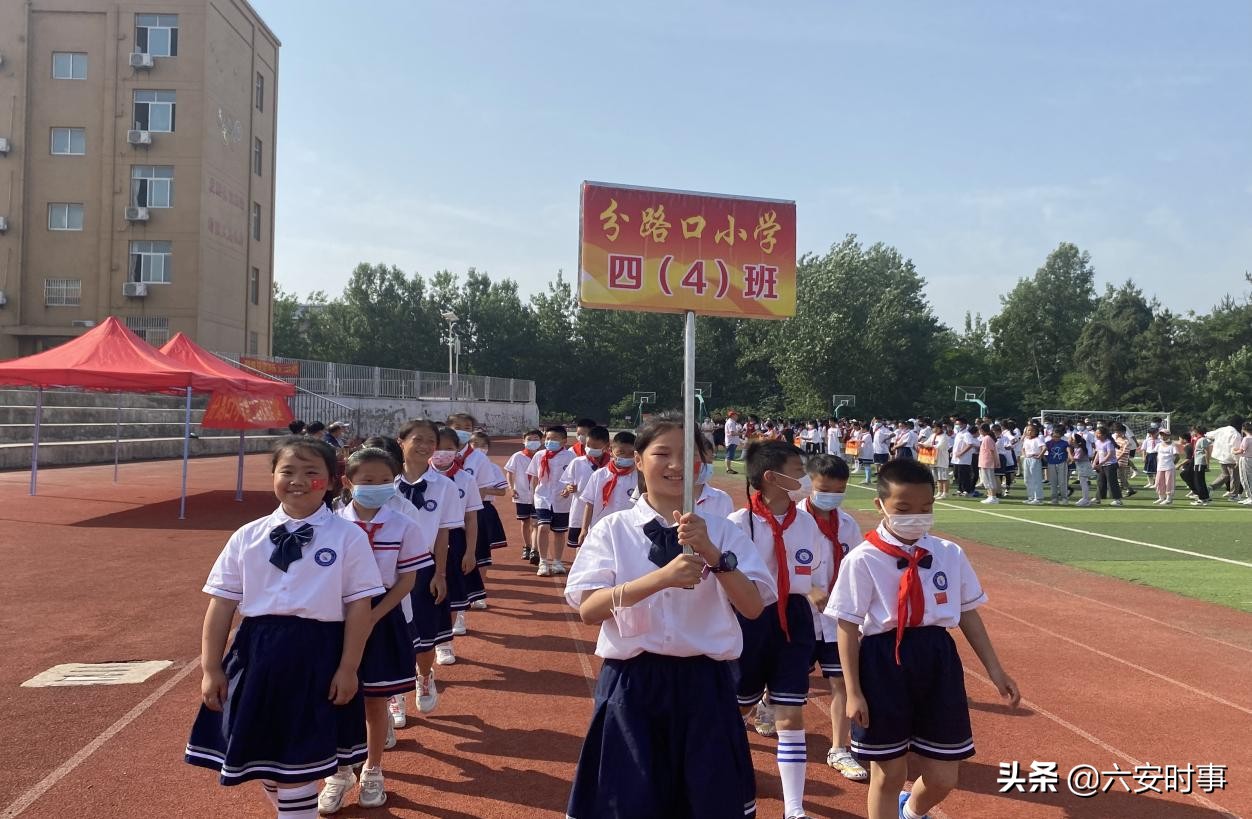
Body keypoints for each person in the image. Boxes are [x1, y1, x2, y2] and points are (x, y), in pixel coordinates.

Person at [563, 418, 772, 819]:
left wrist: (713, 554)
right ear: (639, 460)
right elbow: (589, 609)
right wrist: (661, 579)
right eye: (662, 453)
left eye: (688, 455)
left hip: (706, 683)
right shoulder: (614, 529)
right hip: (633, 684)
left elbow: (752, 606)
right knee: (629, 802)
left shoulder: (722, 532)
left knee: (707, 802)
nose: (676, 465)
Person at [185, 437, 384, 818]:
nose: (298, 481)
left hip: (318, 655)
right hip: (257, 655)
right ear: (273, 476)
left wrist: (348, 667)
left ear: (331, 481)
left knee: (298, 761)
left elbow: (359, 606)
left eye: (311, 472)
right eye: (287, 471)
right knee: (263, 758)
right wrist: (210, 668)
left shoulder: (348, 537)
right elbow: (221, 603)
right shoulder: (247, 536)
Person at [829, 459, 1020, 819]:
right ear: (880, 505)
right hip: (883, 661)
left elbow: (968, 613)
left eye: (925, 508)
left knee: (944, 775)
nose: (916, 517)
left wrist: (996, 670)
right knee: (889, 773)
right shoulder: (863, 559)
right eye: (903, 509)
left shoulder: (948, 553)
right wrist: (853, 691)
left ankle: (912, 812)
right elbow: (848, 627)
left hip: (937, 659)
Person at [320, 448, 428, 813]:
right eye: (367, 480)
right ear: (348, 482)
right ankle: (338, 772)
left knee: (375, 699)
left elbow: (406, 580)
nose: (377, 486)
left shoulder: (404, 525)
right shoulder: (331, 523)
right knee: (335, 695)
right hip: (335, 615)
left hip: (382, 615)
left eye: (385, 480)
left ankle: (373, 769)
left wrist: (373, 616)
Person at [727, 440, 825, 819]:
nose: (805, 478)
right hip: (750, 620)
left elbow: (809, 573)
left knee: (790, 713)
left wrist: (815, 593)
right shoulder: (738, 524)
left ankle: (794, 809)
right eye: (798, 470)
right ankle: (726, 774)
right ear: (771, 477)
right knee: (738, 706)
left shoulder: (807, 522)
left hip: (793, 621)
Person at [799, 454, 868, 783]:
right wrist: (807, 588)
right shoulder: (793, 520)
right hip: (799, 615)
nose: (831, 496)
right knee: (790, 681)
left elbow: (858, 567)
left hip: (836, 618)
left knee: (840, 681)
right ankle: (768, 701)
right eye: (824, 489)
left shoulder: (848, 524)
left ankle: (839, 748)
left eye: (839, 490)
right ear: (809, 484)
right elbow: (777, 563)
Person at [394, 420, 456, 716]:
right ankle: (394, 694)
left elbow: (443, 533)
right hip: (386, 569)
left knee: (424, 634)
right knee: (391, 633)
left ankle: (424, 677)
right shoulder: (383, 482)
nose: (424, 446)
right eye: (417, 439)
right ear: (401, 442)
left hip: (423, 566)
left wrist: (440, 574)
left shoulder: (445, 486)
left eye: (430, 441)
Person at [429, 426, 482, 662]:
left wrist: (470, 551)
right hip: (424, 541)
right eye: (437, 447)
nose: (442, 453)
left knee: (450, 594)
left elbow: (471, 518)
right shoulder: (416, 478)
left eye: (448, 448)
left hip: (455, 540)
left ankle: (445, 642)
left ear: (457, 450)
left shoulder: (465, 479)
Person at [447, 414, 509, 613]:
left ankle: (477, 594)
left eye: (467, 427)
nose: (462, 431)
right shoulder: (440, 455)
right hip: (444, 517)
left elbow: (481, 490)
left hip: (472, 513)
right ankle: (457, 608)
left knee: (477, 554)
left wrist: (468, 511)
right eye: (457, 426)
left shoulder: (478, 458)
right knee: (450, 561)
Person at [527, 425, 576, 576]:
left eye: (554, 439)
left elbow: (574, 478)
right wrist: (533, 497)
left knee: (559, 532)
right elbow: (534, 477)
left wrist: (568, 489)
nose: (550, 441)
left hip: (562, 499)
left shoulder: (571, 457)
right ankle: (543, 561)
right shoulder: (539, 455)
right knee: (543, 527)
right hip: (542, 497)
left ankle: (557, 561)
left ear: (564, 441)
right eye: (548, 438)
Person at [561, 425, 613, 551]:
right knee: (580, 545)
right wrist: (568, 488)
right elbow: (567, 482)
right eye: (588, 445)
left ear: (606, 446)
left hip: (603, 514)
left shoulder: (612, 465)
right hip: (580, 510)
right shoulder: (577, 462)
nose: (590, 449)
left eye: (595, 447)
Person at [579, 431, 638, 533]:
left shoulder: (640, 478)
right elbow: (589, 504)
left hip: (628, 531)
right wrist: (584, 529)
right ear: (611, 450)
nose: (626, 457)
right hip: (600, 529)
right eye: (621, 453)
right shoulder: (599, 475)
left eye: (631, 454)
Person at [506, 430, 543, 562]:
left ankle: (534, 550)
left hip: (538, 495)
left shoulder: (542, 456)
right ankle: (527, 546)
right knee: (525, 522)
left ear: (541, 441)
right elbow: (510, 472)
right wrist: (511, 488)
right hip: (521, 494)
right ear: (524, 441)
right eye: (529, 439)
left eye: (536, 439)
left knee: (536, 522)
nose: (533, 442)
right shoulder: (517, 456)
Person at [1207, 416, 1246, 500]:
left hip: (1221, 457)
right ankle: (1233, 495)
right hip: (1231, 458)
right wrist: (1237, 461)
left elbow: (1208, 435)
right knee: (1235, 477)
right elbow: (1235, 448)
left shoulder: (1222, 429)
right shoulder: (1236, 434)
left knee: (1225, 475)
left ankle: (1211, 487)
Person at [1093, 427, 1123, 507]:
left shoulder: (1108, 442)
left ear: (1104, 435)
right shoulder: (1098, 442)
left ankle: (1117, 500)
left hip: (1110, 465)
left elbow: (1110, 455)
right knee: (1100, 481)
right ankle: (1098, 498)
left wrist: (1101, 463)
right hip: (1102, 465)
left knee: (1112, 482)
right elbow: (1098, 453)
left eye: (1098, 433)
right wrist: (1094, 462)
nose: (1097, 435)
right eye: (1096, 433)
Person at [1042, 427, 1070, 505]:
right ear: (1051, 435)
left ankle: (1064, 498)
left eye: (1058, 437)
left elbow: (1068, 451)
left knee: (1062, 481)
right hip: (1051, 463)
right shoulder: (1048, 443)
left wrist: (1068, 459)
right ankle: (1054, 498)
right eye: (1054, 436)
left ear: (1061, 436)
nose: (1056, 438)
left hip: (1062, 463)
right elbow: (1043, 451)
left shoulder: (1064, 443)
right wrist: (1046, 459)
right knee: (1053, 482)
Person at [951, 419, 977, 498]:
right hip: (957, 458)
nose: (957, 426)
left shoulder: (967, 434)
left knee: (964, 474)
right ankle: (960, 489)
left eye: (959, 424)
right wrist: (953, 452)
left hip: (964, 458)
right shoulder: (958, 433)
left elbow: (970, 444)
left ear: (964, 424)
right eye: (956, 424)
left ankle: (966, 490)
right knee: (957, 474)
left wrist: (961, 453)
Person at [1020, 424, 1045, 504]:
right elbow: (1023, 448)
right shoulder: (1026, 439)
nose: (1030, 432)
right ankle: (1031, 497)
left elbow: (1044, 447)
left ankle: (1038, 498)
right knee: (1027, 479)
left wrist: (1039, 456)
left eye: (1032, 430)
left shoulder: (1037, 439)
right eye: (1028, 430)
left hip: (1034, 459)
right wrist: (1024, 455)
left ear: (1035, 431)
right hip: (1027, 459)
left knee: (1035, 479)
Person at [1154, 430, 1180, 505]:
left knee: (1169, 483)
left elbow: (1177, 456)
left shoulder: (1172, 445)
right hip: (1160, 467)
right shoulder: (1159, 445)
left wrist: (1172, 464)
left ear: (1168, 436)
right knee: (1158, 482)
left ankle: (1169, 499)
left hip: (1169, 467)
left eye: (1164, 435)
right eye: (1161, 435)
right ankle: (1161, 497)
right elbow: (1156, 454)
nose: (1163, 436)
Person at [1189, 426, 1213, 507]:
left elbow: (1206, 452)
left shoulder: (1202, 439)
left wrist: (1207, 464)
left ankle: (1201, 498)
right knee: (1200, 481)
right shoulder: (1200, 439)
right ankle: (1205, 497)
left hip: (1200, 462)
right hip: (1197, 462)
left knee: (1198, 481)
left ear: (1197, 431)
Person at [977, 424, 1000, 504]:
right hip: (984, 462)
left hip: (987, 462)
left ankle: (993, 496)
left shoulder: (987, 438)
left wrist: (995, 461)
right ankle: (990, 496)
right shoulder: (986, 438)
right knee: (986, 480)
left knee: (990, 480)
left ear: (982, 430)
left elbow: (992, 451)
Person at [1070, 433, 1093, 507]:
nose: (1071, 441)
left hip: (1084, 467)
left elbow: (1075, 459)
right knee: (1082, 482)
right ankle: (1085, 498)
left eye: (1073, 440)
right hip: (1081, 467)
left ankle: (1086, 499)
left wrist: (1068, 452)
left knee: (1083, 483)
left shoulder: (1080, 449)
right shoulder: (1076, 448)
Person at [1238, 422, 1252, 506]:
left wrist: (1233, 451)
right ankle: (1249, 496)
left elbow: (1241, 450)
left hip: (1246, 459)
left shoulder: (1246, 439)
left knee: (1246, 478)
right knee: (1247, 478)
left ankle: (1251, 497)